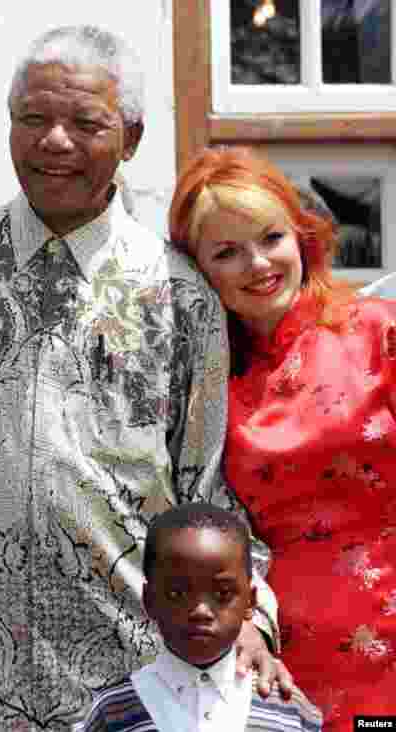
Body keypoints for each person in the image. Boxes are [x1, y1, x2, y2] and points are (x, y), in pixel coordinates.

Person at [0, 25, 290, 731]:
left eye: (86, 123)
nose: (55, 141)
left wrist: (253, 614)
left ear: (131, 139)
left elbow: (204, 489)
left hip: (136, 678)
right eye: (33, 119)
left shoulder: (179, 295)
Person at [169, 145, 396, 729]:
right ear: (199, 271)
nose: (258, 264)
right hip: (280, 656)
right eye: (227, 251)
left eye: (271, 238)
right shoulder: (208, 384)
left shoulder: (379, 334)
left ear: (302, 237)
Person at [74, 503, 322, 731]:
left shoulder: (286, 707)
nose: (201, 611)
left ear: (250, 600)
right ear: (149, 600)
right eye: (177, 593)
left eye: (223, 593)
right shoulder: (112, 712)